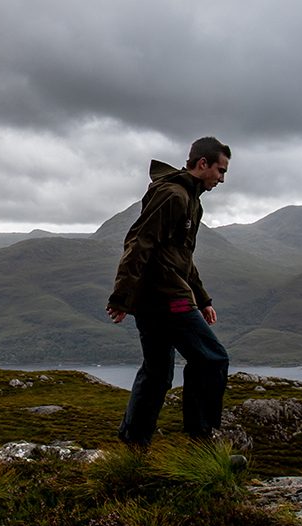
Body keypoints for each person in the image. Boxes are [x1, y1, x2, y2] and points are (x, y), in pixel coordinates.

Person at [107, 137, 233, 448]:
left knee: (158, 372)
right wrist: (122, 296)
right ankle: (201, 442)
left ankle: (133, 445)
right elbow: (139, 243)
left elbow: (182, 258)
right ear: (202, 164)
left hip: (160, 296)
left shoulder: (193, 201)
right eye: (221, 170)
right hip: (164, 297)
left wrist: (202, 298)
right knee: (212, 359)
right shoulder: (173, 195)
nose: (222, 178)